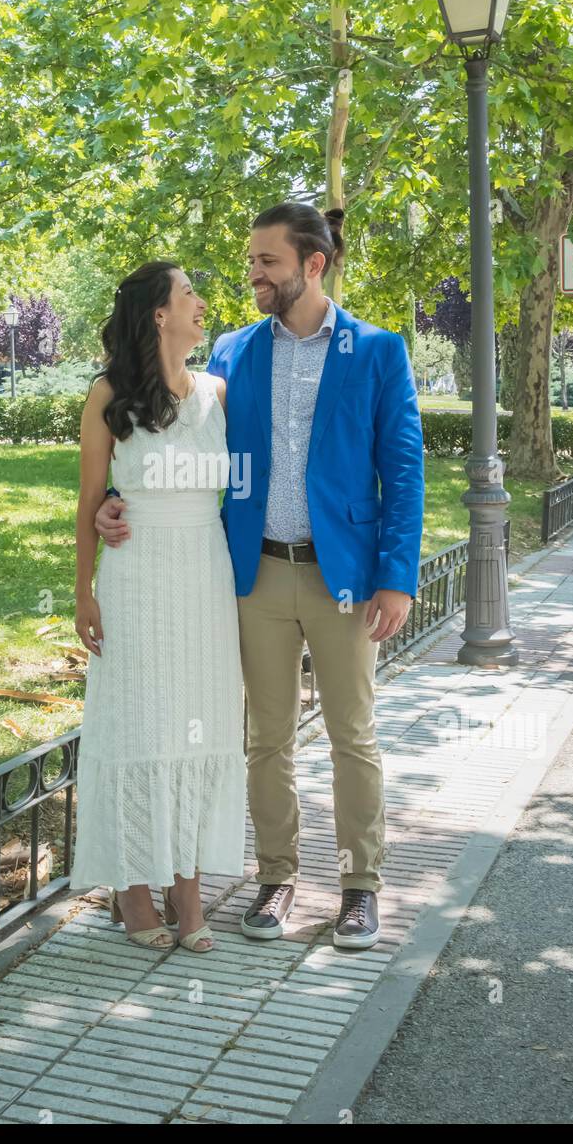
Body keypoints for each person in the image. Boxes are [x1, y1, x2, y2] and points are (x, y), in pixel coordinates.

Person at [95, 203, 425, 949]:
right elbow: (176, 438)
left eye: (266, 262)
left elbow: (403, 472)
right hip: (253, 574)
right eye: (251, 261)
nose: (252, 274)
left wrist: (395, 577)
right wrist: (117, 501)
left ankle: (359, 887)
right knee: (265, 739)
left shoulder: (377, 352)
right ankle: (276, 879)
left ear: (313, 264)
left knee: (352, 736)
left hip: (345, 578)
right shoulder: (234, 352)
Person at [70, 260, 246, 953]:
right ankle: (134, 892)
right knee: (138, 722)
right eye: (189, 294)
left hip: (204, 574)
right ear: (158, 315)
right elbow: (89, 500)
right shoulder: (107, 394)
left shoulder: (219, 391)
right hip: (137, 575)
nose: (203, 303)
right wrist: (83, 589)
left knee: (198, 726)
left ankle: (189, 890)